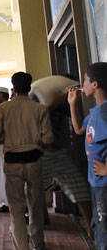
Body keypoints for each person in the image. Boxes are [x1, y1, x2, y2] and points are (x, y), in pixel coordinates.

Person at [0, 72, 53, 250]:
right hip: (34, 160)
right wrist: (37, 143)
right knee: (35, 205)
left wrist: (7, 139)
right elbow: (48, 139)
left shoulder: (3, 109)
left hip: (12, 162)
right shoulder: (40, 109)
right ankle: (38, 243)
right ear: (29, 87)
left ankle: (22, 247)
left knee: (16, 208)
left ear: (14, 87)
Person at [29, 75, 92, 236]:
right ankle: (33, 232)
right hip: (41, 154)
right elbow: (34, 122)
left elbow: (74, 124)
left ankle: (91, 227)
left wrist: (70, 102)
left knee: (79, 190)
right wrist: (52, 104)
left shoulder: (63, 103)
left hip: (59, 153)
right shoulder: (35, 99)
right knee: (32, 194)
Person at [68, 62, 107, 250]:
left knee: (104, 228)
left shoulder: (105, 112)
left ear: (95, 84)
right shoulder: (95, 113)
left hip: (104, 182)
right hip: (96, 181)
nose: (82, 84)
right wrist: (72, 103)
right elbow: (78, 129)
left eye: (85, 80)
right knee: (100, 225)